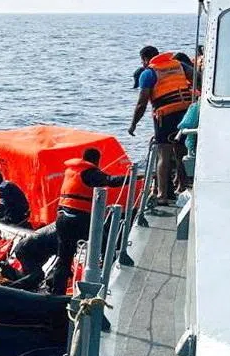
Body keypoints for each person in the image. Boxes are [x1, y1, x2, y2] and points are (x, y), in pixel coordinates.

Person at [12, 148, 127, 291]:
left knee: (64, 259)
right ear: (96, 160)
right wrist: (135, 177)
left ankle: (57, 290)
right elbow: (111, 181)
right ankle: (110, 271)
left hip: (63, 219)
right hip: (78, 220)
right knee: (103, 242)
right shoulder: (89, 172)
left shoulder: (71, 171)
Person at [128, 45, 193, 205]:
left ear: (144, 59)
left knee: (163, 154)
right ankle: (182, 188)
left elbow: (142, 103)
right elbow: (198, 79)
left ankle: (162, 195)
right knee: (181, 152)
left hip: (165, 116)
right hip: (184, 112)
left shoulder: (148, 73)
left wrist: (133, 124)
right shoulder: (179, 65)